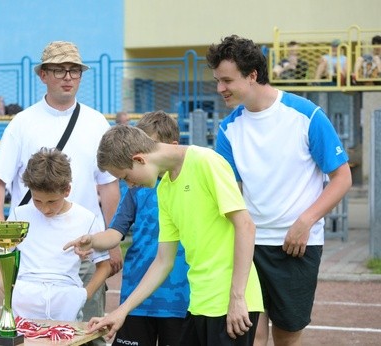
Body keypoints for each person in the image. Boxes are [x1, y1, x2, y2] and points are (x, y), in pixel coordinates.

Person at [205, 35, 352, 346]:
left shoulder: (306, 115)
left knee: (286, 337)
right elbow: (227, 191)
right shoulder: (228, 129)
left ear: (253, 75)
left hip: (297, 245)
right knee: (251, 334)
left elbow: (342, 178)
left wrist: (305, 221)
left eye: (227, 80)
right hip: (250, 246)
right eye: (218, 80)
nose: (220, 89)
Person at [0, 41, 122, 343]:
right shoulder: (22, 122)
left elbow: (109, 186)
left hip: (84, 249)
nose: (68, 77)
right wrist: (2, 239)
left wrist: (112, 240)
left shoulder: (97, 122)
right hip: (31, 253)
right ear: (43, 75)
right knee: (27, 333)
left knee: (90, 334)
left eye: (74, 70)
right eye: (59, 70)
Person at [83, 125, 263, 345]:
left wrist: (237, 297)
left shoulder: (206, 161)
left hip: (229, 303)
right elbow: (162, 261)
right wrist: (120, 312)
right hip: (198, 304)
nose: (129, 184)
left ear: (139, 159)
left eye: (126, 177)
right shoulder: (164, 189)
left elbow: (245, 226)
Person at [64, 110, 190, 346]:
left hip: (181, 298)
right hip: (136, 297)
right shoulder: (134, 188)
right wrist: (92, 241)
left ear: (171, 146)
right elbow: (115, 232)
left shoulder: (190, 183)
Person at [0, 147, 111, 321]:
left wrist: (83, 295)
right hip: (24, 301)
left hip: (66, 302)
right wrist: (5, 286)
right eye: (37, 200)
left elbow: (104, 265)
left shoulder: (86, 219)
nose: (45, 208)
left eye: (52, 201)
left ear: (67, 190)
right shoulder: (19, 215)